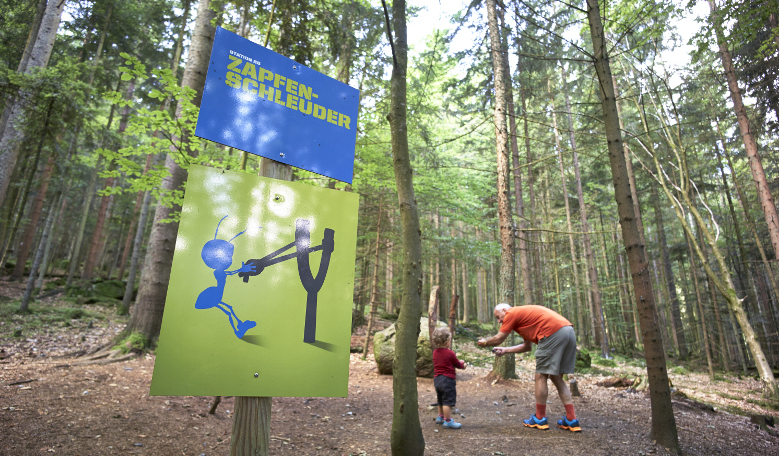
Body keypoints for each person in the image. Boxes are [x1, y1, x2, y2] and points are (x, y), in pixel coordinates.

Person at [477, 303, 581, 432]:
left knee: (540, 376)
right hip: (568, 331)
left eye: (498, 317)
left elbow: (498, 339)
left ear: (504, 310)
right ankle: (572, 420)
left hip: (552, 332)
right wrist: (505, 350)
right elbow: (526, 347)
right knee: (556, 377)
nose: (499, 321)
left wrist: (486, 343)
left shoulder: (511, 313)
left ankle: (540, 418)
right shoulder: (524, 319)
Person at [432, 327, 466, 429]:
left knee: (441, 400)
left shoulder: (435, 352)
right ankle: (448, 421)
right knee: (448, 402)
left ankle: (440, 417)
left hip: (437, 379)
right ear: (447, 341)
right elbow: (457, 364)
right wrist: (463, 365)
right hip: (447, 380)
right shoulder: (450, 353)